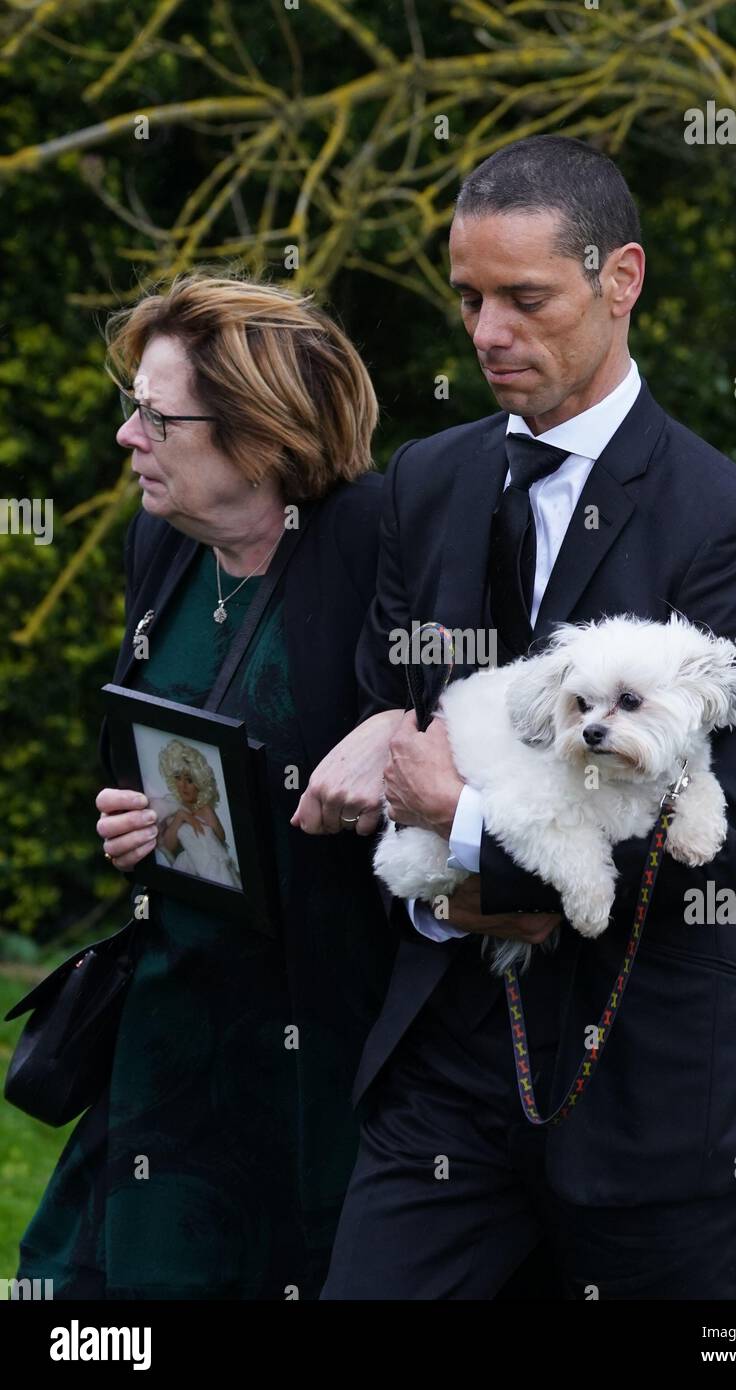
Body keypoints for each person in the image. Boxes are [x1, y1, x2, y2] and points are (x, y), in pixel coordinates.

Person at [306, 134, 736, 1300]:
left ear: (619, 280)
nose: (485, 333)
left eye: (525, 299)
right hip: (447, 1073)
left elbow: (728, 829)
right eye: (467, 298)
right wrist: (384, 756)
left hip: (653, 1093)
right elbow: (389, 709)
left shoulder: (734, 528)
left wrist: (467, 832)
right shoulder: (427, 480)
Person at [16, 270, 400, 1299]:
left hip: (324, 1036)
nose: (126, 439)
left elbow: (464, 733)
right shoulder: (165, 541)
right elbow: (162, 731)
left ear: (259, 432)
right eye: (130, 408)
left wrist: (402, 729)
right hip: (174, 1013)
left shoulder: (378, 544)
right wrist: (135, 816)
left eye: (156, 416)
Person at [152, 739, 241, 888]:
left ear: (200, 783)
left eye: (189, 780)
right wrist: (181, 817)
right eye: (178, 778)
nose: (183, 785)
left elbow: (220, 842)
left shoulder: (205, 810)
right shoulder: (172, 808)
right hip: (185, 875)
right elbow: (167, 846)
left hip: (215, 875)